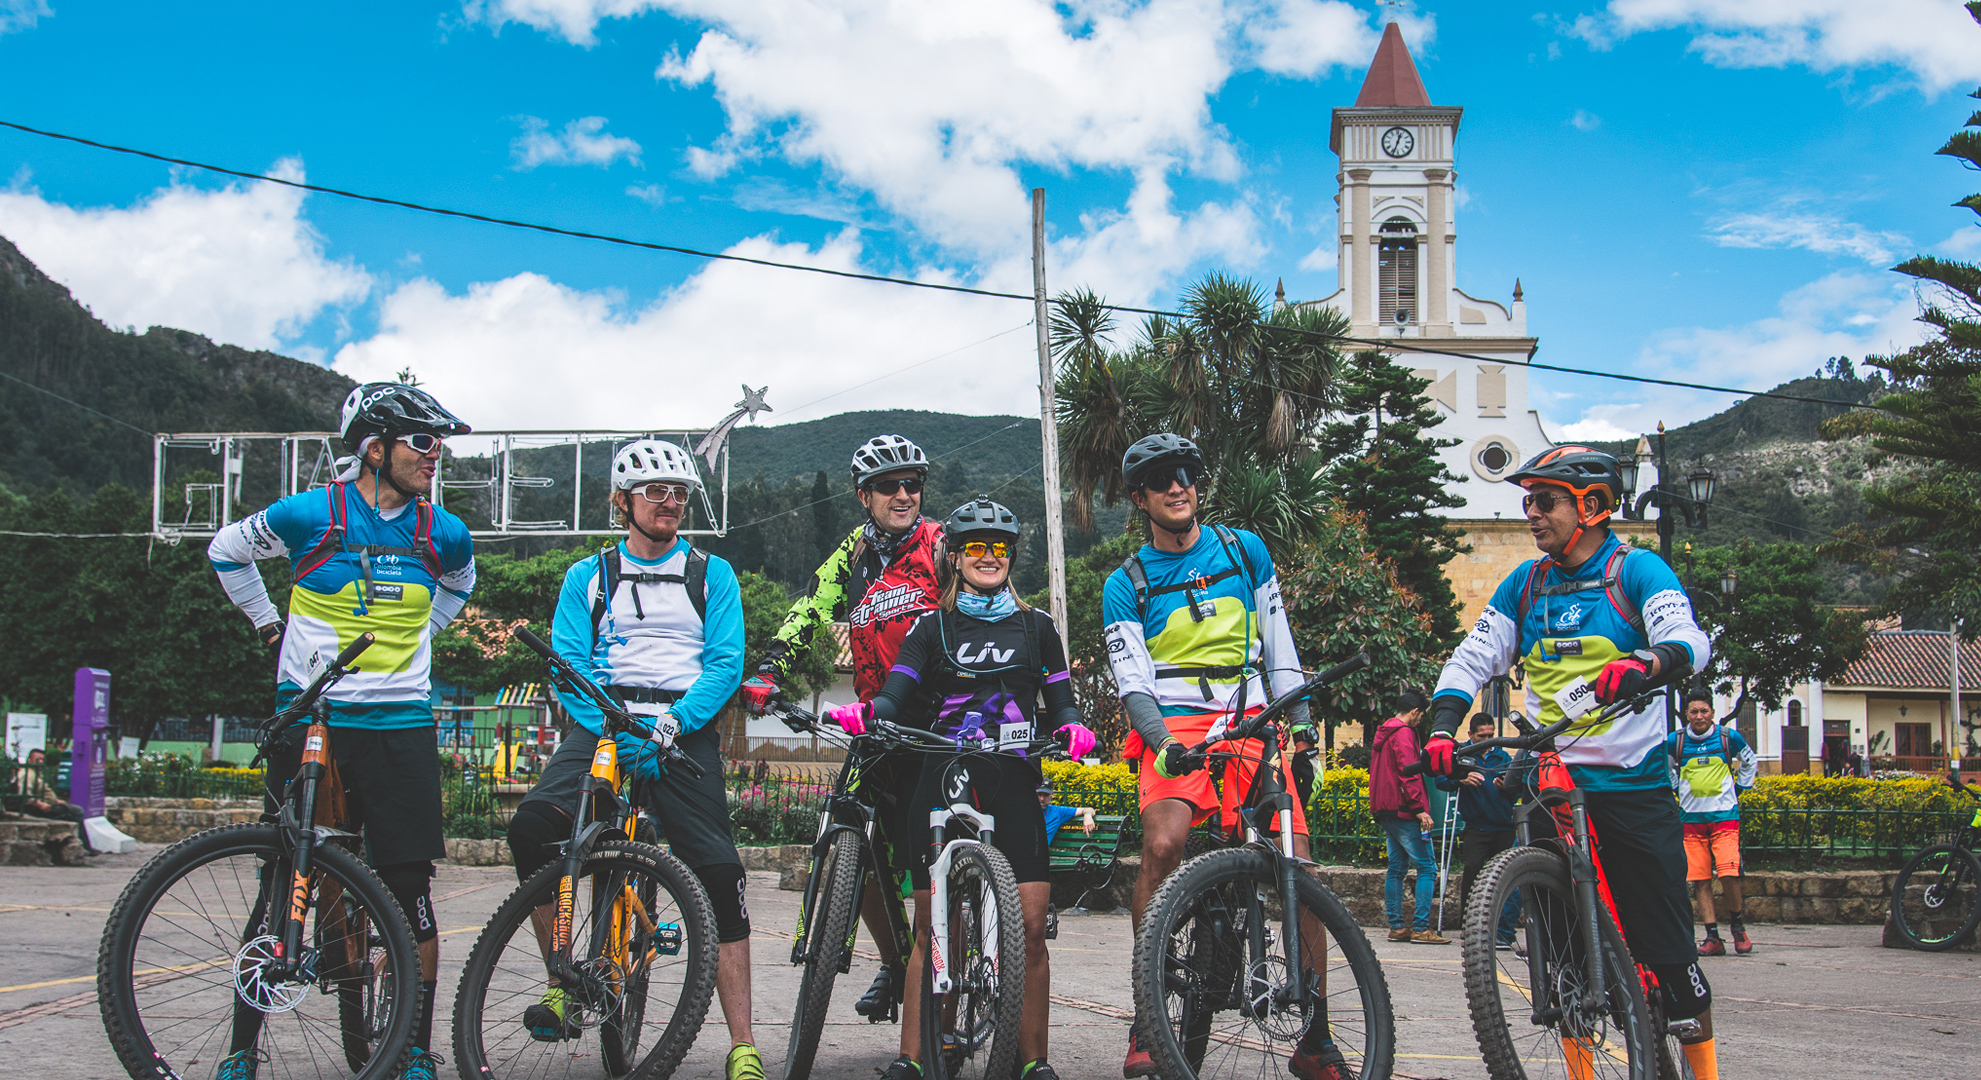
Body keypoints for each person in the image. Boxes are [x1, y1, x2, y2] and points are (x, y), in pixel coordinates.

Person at [1423, 445, 1723, 1080]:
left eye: (1545, 500)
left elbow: (1689, 638)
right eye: (1527, 500)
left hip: (1631, 787)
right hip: (1550, 785)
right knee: (1559, 963)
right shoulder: (1525, 583)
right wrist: (1444, 724)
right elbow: (1472, 659)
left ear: (1591, 506)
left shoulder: (1635, 570)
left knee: (1671, 957)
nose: (1531, 513)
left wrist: (1649, 661)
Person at [207, 382, 476, 1080]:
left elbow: (460, 583)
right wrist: (271, 626)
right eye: (423, 440)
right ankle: (242, 1049)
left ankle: (413, 1047)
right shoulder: (309, 515)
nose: (435, 453)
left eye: (437, 440)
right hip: (315, 717)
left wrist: (424, 632)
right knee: (282, 886)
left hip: (400, 723)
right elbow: (225, 549)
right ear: (374, 447)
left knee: (410, 889)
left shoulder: (439, 530)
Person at [501, 439, 761, 1080]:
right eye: (655, 492)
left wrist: (670, 725)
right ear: (623, 502)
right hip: (605, 726)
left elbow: (725, 663)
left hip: (682, 728)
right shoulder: (586, 575)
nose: (670, 502)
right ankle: (563, 977)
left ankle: (743, 1044)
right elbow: (568, 668)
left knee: (722, 875)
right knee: (534, 830)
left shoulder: (711, 574)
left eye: (679, 493)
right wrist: (613, 727)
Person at [825, 496, 1096, 1080]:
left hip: (1014, 778)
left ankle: (1034, 1063)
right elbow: (897, 693)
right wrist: (870, 714)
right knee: (933, 928)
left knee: (1029, 929)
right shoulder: (932, 626)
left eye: (998, 548)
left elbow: (1062, 700)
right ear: (955, 555)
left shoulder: (1038, 626)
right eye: (975, 547)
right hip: (941, 775)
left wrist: (1072, 726)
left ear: (1011, 557)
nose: (988, 557)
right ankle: (913, 1057)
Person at [1100, 433, 1344, 1080]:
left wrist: (1302, 725)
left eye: (1185, 473)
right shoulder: (1125, 583)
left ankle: (1315, 1036)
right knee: (1162, 844)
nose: (1177, 485)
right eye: (1160, 479)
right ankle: (1147, 1017)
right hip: (1174, 727)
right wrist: (1164, 747)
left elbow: (1279, 643)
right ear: (1139, 498)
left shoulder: (1244, 550)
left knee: (1301, 867)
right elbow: (1133, 684)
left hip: (1249, 719)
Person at [742, 434, 942, 1020]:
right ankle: (897, 959)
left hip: (937, 726)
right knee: (852, 856)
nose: (903, 494)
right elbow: (810, 609)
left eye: (912, 484)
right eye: (889, 486)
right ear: (864, 496)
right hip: (874, 727)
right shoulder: (853, 555)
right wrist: (769, 667)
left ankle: (946, 986)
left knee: (935, 865)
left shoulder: (941, 545)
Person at [1670, 690, 1757, 957]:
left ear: (1712, 713)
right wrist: (1679, 791)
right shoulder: (1676, 742)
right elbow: (1666, 768)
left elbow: (1749, 761)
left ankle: (1738, 926)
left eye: (1704, 711)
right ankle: (1712, 936)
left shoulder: (1728, 737)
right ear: (1686, 714)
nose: (1699, 716)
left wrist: (1738, 790)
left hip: (1725, 820)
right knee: (1701, 880)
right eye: (1694, 711)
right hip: (1692, 823)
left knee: (1730, 874)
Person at [1434, 714, 1523, 948]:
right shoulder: (1462, 755)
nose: (1487, 740)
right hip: (1477, 826)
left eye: (1490, 735)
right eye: (1482, 736)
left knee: (1503, 877)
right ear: (1470, 735)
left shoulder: (1502, 756)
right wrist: (1461, 779)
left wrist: (1507, 787)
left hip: (1503, 825)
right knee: (1473, 873)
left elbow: (1516, 789)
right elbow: (1441, 780)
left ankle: (1499, 925)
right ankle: (1469, 925)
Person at [1370, 691, 1448, 945]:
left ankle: (1397, 926)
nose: (1420, 720)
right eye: (1421, 715)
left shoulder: (1383, 732)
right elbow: (1409, 771)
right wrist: (1419, 808)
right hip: (1404, 808)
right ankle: (1421, 928)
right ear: (1415, 711)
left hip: (1385, 809)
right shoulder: (1403, 733)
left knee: (1397, 869)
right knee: (1427, 867)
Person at [1037, 778, 1097, 846]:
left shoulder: (1057, 812)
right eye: (1039, 794)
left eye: (1046, 795)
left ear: (1052, 794)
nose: (1042, 798)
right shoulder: (1025, 811)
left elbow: (1088, 809)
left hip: (1039, 853)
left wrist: (1088, 816)